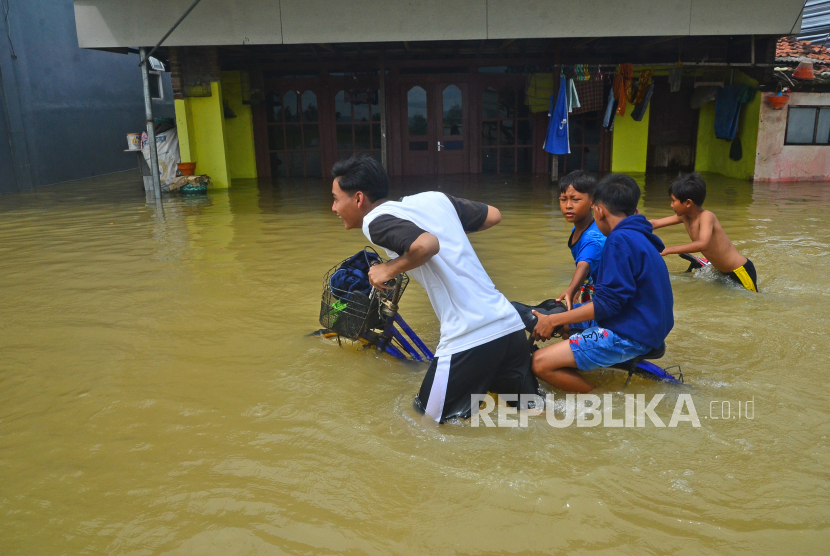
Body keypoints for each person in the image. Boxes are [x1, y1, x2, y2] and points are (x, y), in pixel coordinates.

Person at [330, 155, 537, 423]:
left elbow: (427, 245)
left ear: (358, 199)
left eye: (335, 199)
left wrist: (388, 268)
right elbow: (493, 215)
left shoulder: (374, 220)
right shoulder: (434, 200)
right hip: (508, 325)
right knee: (534, 416)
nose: (333, 207)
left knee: (425, 426)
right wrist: (450, 231)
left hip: (469, 333)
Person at [531, 174, 674, 393]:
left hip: (631, 333)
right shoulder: (639, 234)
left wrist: (553, 320)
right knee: (565, 322)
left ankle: (601, 401)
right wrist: (559, 319)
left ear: (598, 211)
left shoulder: (618, 240)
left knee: (539, 362)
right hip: (645, 325)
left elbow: (607, 305)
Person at [649, 173, 758, 292]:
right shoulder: (684, 216)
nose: (671, 205)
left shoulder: (706, 216)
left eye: (673, 201)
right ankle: (705, 263)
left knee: (752, 300)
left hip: (740, 270)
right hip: (721, 270)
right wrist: (629, 224)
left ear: (688, 203)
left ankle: (705, 263)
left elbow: (702, 244)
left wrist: (667, 250)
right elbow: (655, 223)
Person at [556, 171, 606, 309]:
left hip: (605, 299)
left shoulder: (593, 238)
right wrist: (577, 288)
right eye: (563, 199)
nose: (568, 205)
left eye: (575, 199)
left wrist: (571, 289)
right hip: (592, 286)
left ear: (593, 202)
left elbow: (584, 265)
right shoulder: (578, 229)